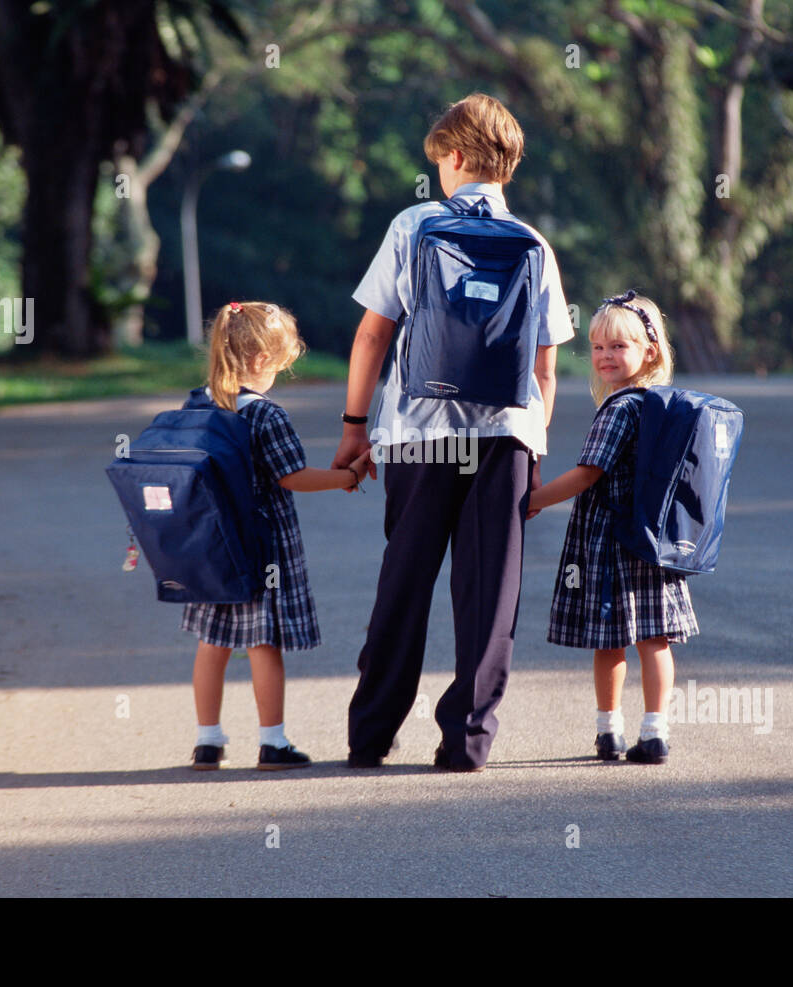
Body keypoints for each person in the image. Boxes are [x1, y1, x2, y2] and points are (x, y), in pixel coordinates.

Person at [332, 92, 574, 771]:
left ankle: (371, 736)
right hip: (505, 440)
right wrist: (531, 443)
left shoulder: (414, 225)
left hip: (419, 432)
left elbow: (373, 333)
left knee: (403, 583)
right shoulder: (534, 243)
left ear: (457, 156)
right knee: (490, 593)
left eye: (439, 160)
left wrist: (356, 428)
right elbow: (546, 368)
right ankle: (467, 739)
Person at [182, 301, 372, 771]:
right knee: (263, 643)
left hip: (209, 546)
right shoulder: (265, 416)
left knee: (213, 641)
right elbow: (293, 477)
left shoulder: (197, 403)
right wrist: (347, 477)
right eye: (283, 364)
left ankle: (207, 742)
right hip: (261, 548)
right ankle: (273, 742)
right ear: (262, 361)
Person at [527, 292, 699, 765]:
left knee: (611, 637)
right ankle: (655, 732)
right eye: (598, 347)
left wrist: (528, 502)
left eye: (618, 347)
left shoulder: (621, 408)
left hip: (609, 540)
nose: (605, 356)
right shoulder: (659, 403)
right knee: (654, 638)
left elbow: (587, 473)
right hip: (651, 539)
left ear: (649, 351)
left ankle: (610, 731)